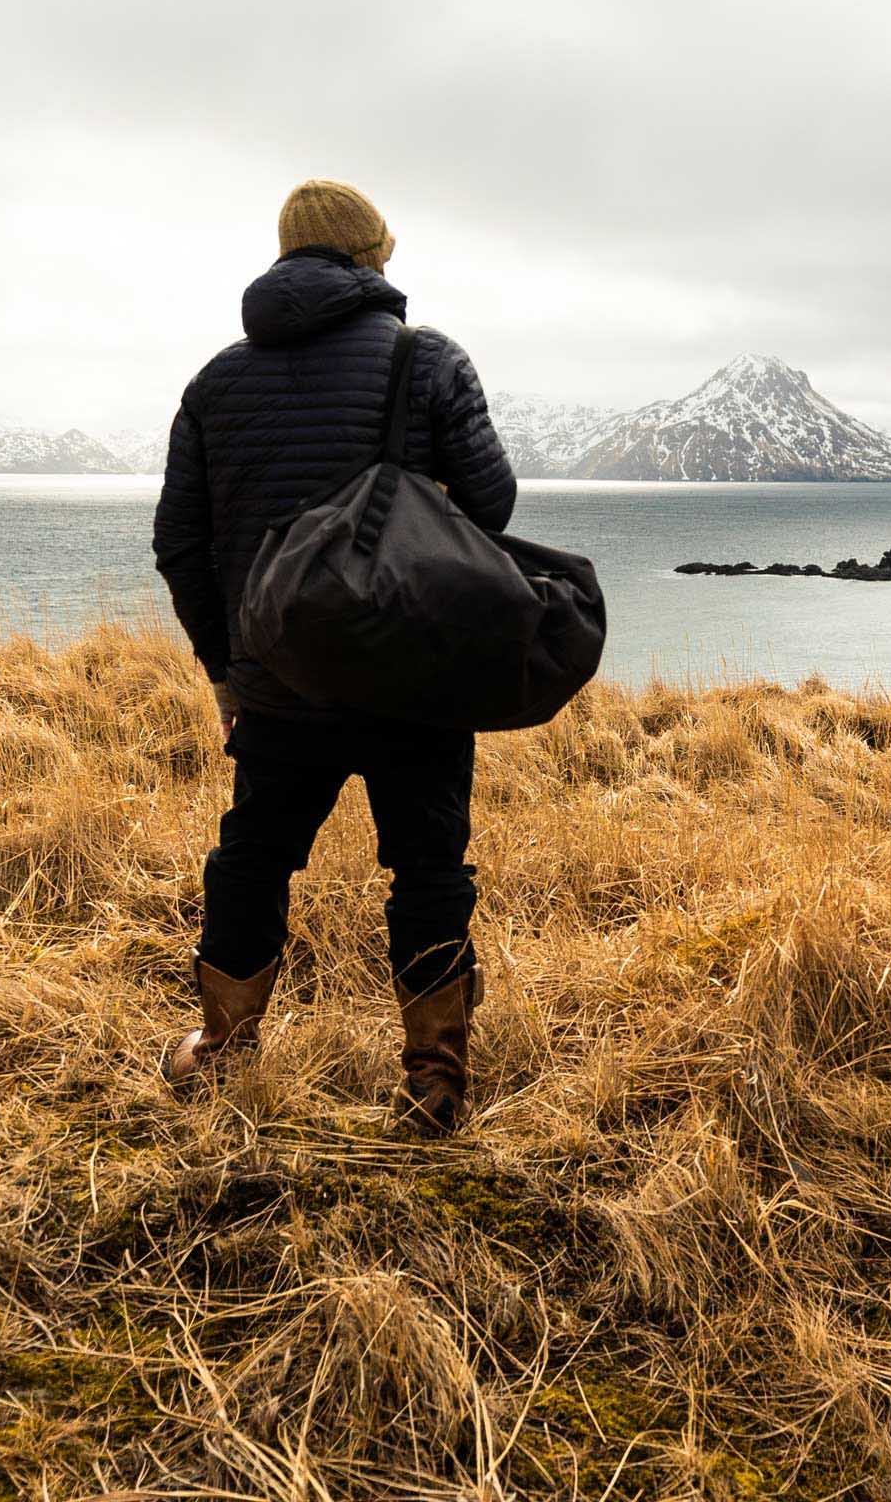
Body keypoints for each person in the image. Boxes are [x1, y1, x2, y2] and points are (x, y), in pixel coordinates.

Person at [151, 179, 517, 1132]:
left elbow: (180, 546)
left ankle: (222, 1055)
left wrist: (226, 667)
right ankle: (435, 1085)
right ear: (371, 257)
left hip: (278, 681)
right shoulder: (428, 361)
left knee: (253, 860)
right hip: (415, 679)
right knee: (429, 870)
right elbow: (493, 507)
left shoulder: (215, 383)